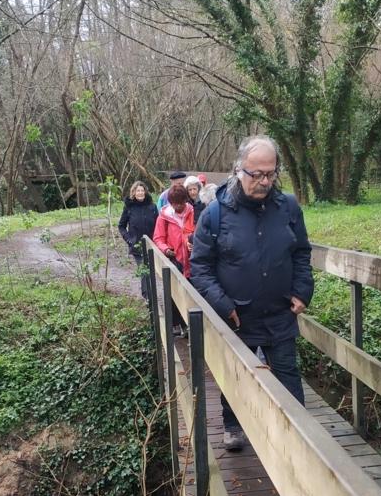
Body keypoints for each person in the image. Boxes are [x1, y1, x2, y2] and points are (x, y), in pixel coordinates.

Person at [189, 135, 314, 450]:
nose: (264, 181)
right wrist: (222, 304)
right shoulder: (214, 215)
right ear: (237, 171)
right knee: (237, 378)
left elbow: (301, 252)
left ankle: (296, 438)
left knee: (288, 377)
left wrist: (302, 289)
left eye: (270, 174)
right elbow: (200, 268)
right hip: (237, 316)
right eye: (255, 174)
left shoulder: (289, 208)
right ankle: (233, 426)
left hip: (280, 314)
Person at [153, 183, 195, 335]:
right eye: (175, 203)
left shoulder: (192, 212)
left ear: (186, 200)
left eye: (181, 203)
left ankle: (190, 325)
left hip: (191, 261)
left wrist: (193, 242)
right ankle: (177, 324)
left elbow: (198, 232)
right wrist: (165, 249)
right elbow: (158, 238)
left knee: (192, 294)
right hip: (174, 260)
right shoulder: (164, 216)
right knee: (173, 293)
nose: (178, 206)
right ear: (170, 203)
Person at [118, 181, 158, 300]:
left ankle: (150, 294)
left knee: (150, 269)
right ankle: (147, 297)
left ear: (145, 192)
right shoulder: (129, 207)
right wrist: (129, 239)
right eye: (138, 190)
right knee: (144, 269)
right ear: (134, 192)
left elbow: (158, 225)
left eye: (142, 190)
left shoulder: (152, 207)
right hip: (137, 245)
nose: (140, 193)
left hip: (152, 245)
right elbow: (121, 226)